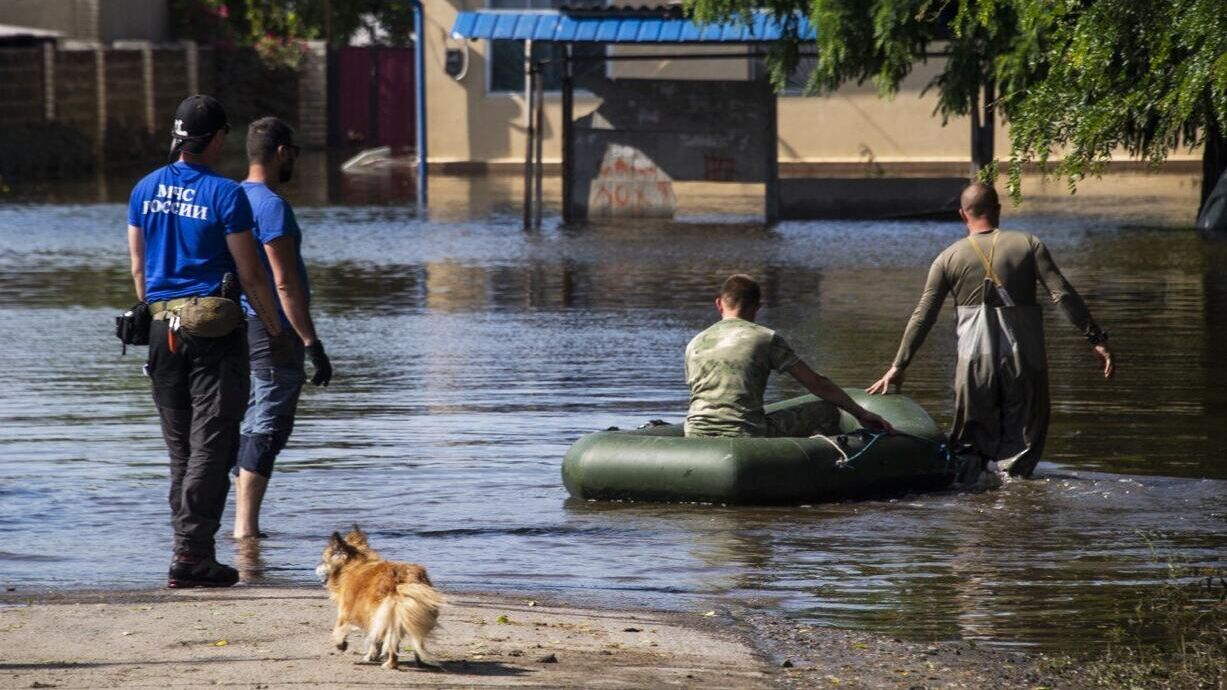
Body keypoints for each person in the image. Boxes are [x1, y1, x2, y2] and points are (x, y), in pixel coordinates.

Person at [127, 94, 285, 587]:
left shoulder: (143, 188)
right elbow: (251, 272)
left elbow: (138, 267)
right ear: (216, 138)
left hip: (160, 331)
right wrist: (275, 329)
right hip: (213, 336)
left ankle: (187, 550)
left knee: (181, 450)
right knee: (212, 447)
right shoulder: (225, 194)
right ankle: (193, 555)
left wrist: (160, 310)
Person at [867, 183, 1115, 479]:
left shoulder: (948, 258)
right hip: (1024, 361)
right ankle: (1016, 502)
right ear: (998, 209)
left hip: (974, 365)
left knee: (969, 451)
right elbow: (1062, 295)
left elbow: (924, 315)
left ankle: (975, 507)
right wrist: (1095, 337)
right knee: (1021, 447)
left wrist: (898, 365)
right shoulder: (1028, 245)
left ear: (962, 214)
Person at [232, 117, 333, 540]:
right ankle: (246, 529)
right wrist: (312, 343)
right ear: (281, 153)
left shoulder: (231, 195)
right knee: (268, 424)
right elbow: (284, 282)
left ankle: (242, 528)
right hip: (271, 329)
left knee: (251, 419)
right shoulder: (271, 205)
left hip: (240, 327)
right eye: (294, 152)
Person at [685, 274, 893, 437]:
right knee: (827, 410)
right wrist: (861, 413)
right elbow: (817, 385)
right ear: (758, 307)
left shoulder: (695, 343)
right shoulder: (765, 338)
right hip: (746, 433)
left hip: (694, 431)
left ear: (719, 303)